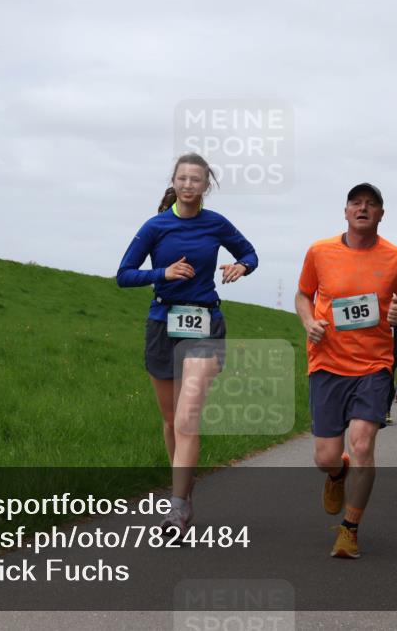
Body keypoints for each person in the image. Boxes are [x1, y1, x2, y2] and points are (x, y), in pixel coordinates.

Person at [117, 153, 258, 533]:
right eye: (182, 178)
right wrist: (163, 272)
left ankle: (177, 510)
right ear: (174, 182)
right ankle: (184, 491)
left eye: (196, 179)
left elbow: (250, 253)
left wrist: (240, 266)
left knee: (186, 418)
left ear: (205, 186)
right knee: (169, 421)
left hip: (204, 324)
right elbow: (123, 275)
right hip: (163, 323)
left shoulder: (216, 224)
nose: (189, 185)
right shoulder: (155, 227)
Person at [295, 182, 397, 559]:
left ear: (381, 214)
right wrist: (307, 322)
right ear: (345, 211)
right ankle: (336, 474)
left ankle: (349, 529)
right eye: (356, 203)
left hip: (374, 364)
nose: (363, 209)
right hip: (328, 363)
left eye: (371, 204)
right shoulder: (319, 251)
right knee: (325, 457)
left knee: (363, 444)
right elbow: (303, 295)